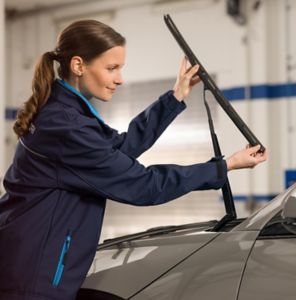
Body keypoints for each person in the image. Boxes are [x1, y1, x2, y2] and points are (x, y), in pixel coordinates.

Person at [0, 20, 267, 300]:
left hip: (29, 264)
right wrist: (225, 166)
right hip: (33, 277)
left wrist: (175, 97)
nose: (120, 79)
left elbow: (121, 148)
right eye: (112, 68)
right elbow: (144, 185)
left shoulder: (67, 115)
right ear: (79, 66)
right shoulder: (67, 126)